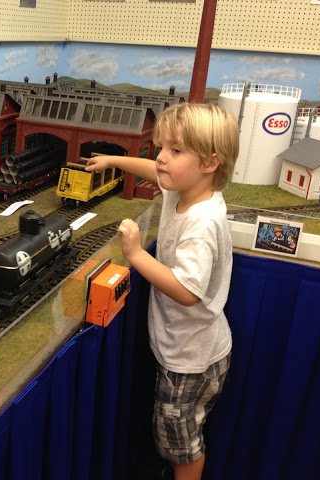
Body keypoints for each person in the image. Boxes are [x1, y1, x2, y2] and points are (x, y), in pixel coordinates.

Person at [85, 102, 239, 480]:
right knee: (175, 433)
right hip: (187, 348)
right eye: (161, 147)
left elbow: (187, 291)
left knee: (181, 445)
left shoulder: (202, 224)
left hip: (191, 359)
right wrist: (113, 161)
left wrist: (136, 254)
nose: (161, 159)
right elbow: (152, 169)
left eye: (175, 150)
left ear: (209, 163)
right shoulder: (185, 188)